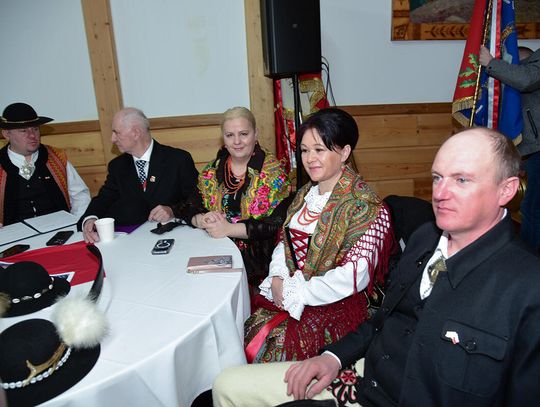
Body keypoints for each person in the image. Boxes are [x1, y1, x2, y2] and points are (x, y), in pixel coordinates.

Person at [213, 127, 540, 407]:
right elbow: (382, 320)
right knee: (226, 385)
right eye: (437, 178)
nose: (441, 193)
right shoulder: (425, 238)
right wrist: (332, 358)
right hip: (363, 380)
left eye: (462, 180)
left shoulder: (528, 287)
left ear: (506, 190)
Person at [244, 108, 394, 363]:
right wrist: (278, 276)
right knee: (252, 332)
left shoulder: (366, 207)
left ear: (344, 152)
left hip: (337, 303)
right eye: (304, 150)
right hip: (292, 293)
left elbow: (353, 277)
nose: (310, 158)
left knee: (276, 349)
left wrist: (298, 293)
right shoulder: (305, 194)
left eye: (319, 150)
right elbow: (284, 243)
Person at [175, 106, 291, 289]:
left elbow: (275, 224)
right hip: (214, 253)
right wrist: (202, 220)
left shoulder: (273, 173)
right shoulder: (212, 170)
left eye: (243, 134)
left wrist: (229, 229)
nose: (237, 141)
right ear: (223, 138)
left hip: (257, 265)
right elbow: (187, 207)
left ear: (255, 134)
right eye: (230, 135)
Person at [79, 107, 198, 243]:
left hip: (176, 238)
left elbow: (197, 199)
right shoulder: (117, 166)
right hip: (133, 242)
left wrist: (173, 210)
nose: (112, 139)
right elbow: (104, 199)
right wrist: (90, 219)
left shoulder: (178, 160)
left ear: (136, 133)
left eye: (116, 133)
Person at [480, 45, 540, 253]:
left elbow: (527, 79)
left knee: (533, 209)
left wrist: (491, 63)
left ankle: (528, 262)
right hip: (533, 149)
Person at [0, 102, 91, 226]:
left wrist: (77, 223)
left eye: (35, 129)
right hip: (14, 235)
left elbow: (80, 196)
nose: (32, 135)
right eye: (23, 131)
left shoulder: (56, 158)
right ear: (6, 134)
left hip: (60, 230)